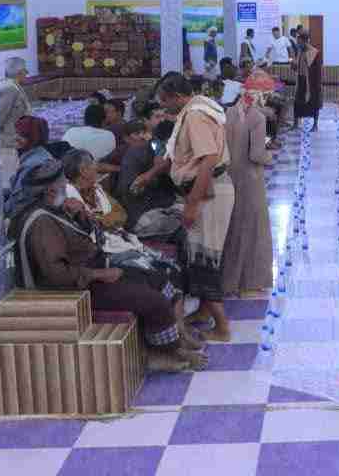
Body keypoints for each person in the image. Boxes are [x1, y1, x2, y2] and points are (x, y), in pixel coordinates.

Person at [10, 160, 205, 372]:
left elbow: (87, 237)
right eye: (63, 183)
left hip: (94, 271)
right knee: (153, 301)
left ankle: (177, 337)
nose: (67, 187)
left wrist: (81, 215)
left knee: (158, 279)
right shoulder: (42, 223)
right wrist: (100, 274)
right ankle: (162, 353)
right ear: (50, 191)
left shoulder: (53, 210)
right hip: (81, 288)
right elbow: (57, 274)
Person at [157, 71, 235, 342]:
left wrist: (192, 204)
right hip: (209, 190)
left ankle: (222, 328)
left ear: (178, 97)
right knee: (200, 253)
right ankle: (204, 311)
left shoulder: (194, 116)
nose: (162, 107)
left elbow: (209, 158)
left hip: (208, 193)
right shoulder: (199, 107)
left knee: (204, 258)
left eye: (164, 101)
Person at [222, 71, 275, 297]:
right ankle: (250, 282)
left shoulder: (229, 112)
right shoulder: (257, 117)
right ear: (261, 94)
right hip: (250, 179)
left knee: (234, 229)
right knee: (254, 230)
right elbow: (256, 154)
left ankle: (230, 281)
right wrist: (269, 156)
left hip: (230, 176)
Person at [115, 120, 178, 229]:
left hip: (163, 204)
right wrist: (156, 170)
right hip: (140, 213)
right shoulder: (136, 154)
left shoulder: (171, 155)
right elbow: (131, 191)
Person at [5, 116, 56, 220]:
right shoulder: (44, 155)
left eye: (22, 135)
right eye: (17, 133)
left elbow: (12, 207)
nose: (16, 137)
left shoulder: (31, 165)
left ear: (34, 138)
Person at [0, 57, 32, 189]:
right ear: (19, 72)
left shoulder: (12, 86)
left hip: (13, 143)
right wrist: (13, 137)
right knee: (9, 184)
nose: (27, 73)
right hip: (7, 145)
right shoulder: (9, 89)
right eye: (25, 70)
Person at [293, 30, 322, 132]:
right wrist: (294, 65)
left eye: (299, 42)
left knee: (314, 103)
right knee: (297, 102)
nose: (298, 44)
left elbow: (316, 71)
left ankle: (315, 125)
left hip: (311, 83)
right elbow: (298, 66)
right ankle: (295, 124)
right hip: (301, 80)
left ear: (304, 41)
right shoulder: (300, 51)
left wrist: (316, 85)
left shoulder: (314, 52)